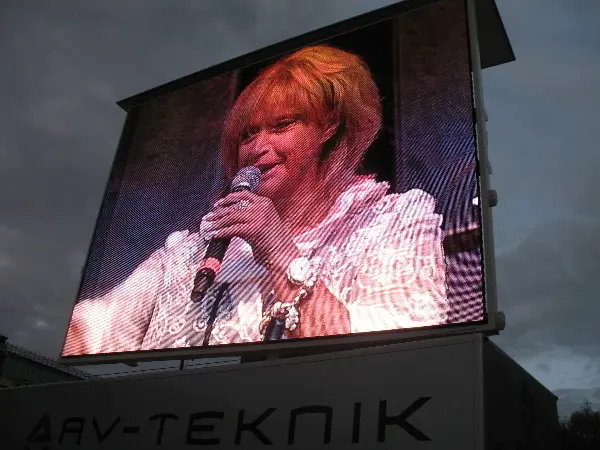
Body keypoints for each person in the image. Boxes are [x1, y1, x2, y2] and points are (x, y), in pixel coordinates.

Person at [63, 44, 449, 356]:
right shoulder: (191, 248)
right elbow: (94, 329)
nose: (258, 148)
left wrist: (278, 253)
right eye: (247, 135)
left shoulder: (394, 220)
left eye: (282, 125)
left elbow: (399, 357)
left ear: (329, 125)